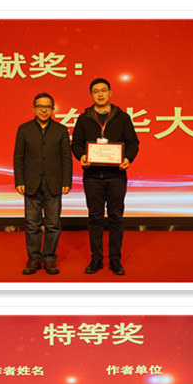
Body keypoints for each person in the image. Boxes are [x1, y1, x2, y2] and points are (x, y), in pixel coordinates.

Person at [71, 77, 140, 275]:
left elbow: (133, 142)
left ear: (110, 93)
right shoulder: (84, 118)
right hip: (92, 176)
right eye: (96, 91)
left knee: (116, 218)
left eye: (103, 90)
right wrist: (82, 156)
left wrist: (128, 158)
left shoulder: (122, 117)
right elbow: (76, 143)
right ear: (91, 95)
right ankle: (96, 259)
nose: (100, 94)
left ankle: (115, 259)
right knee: (95, 218)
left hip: (116, 176)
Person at [13, 92, 73, 275]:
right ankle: (33, 258)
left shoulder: (61, 129)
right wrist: (19, 180)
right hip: (31, 182)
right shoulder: (24, 129)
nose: (44, 110)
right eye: (40, 106)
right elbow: (18, 157)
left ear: (53, 109)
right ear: (34, 108)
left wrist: (66, 181)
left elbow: (66, 158)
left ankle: (49, 258)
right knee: (32, 223)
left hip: (54, 182)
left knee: (53, 223)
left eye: (47, 106)